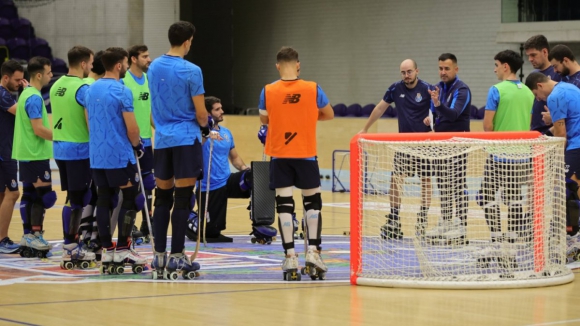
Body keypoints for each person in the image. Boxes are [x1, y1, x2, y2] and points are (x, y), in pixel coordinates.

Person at [258, 46, 334, 281]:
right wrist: (309, 115)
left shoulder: (267, 90)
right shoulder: (313, 88)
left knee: (284, 205)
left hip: (280, 154)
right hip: (305, 153)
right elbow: (329, 114)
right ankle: (312, 252)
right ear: (298, 65)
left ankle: (290, 256)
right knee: (312, 202)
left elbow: (264, 119)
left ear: (278, 66)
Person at [148, 21, 208, 279]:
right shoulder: (192, 70)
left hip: (161, 140)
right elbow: (202, 113)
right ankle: (177, 256)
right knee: (183, 199)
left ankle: (159, 255)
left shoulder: (153, 67)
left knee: (162, 198)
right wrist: (207, 125)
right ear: (187, 42)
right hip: (185, 139)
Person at [84, 47, 146, 274]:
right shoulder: (122, 90)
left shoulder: (90, 89)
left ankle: (107, 249)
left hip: (97, 155)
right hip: (119, 154)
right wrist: (138, 144)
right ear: (119, 65)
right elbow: (132, 127)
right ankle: (123, 248)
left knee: (104, 197)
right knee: (131, 197)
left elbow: (90, 121)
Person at [360, 59, 433, 239]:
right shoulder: (395, 89)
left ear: (417, 71)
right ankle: (393, 218)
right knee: (396, 179)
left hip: (424, 144)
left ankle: (422, 218)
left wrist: (432, 121)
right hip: (404, 144)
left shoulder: (427, 89)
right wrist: (365, 128)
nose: (406, 76)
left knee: (425, 180)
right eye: (403, 72)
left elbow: (437, 110)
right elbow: (379, 108)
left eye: (409, 72)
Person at [525, 72, 580, 262]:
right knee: (572, 192)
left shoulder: (555, 96)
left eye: (536, 94)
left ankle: (572, 240)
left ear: (540, 86)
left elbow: (561, 132)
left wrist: (556, 159)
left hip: (575, 146)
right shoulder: (569, 87)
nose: (538, 99)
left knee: (567, 193)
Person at [481, 50, 534, 244]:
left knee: (486, 196)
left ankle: (496, 238)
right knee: (514, 199)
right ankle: (511, 241)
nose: (495, 69)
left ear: (505, 66)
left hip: (499, 155)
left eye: (496, 65)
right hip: (522, 156)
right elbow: (527, 124)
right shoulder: (528, 92)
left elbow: (487, 125)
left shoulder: (496, 89)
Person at [50, 45, 96, 268]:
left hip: (60, 149)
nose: (92, 66)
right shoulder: (84, 87)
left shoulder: (56, 84)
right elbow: (90, 120)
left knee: (73, 197)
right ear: (84, 64)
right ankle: (70, 247)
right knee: (79, 198)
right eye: (91, 62)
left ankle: (71, 243)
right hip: (79, 149)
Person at [186, 96, 251, 243]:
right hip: (208, 186)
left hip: (227, 181)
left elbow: (234, 157)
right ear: (208, 113)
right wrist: (207, 132)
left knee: (254, 176)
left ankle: (260, 224)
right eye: (217, 109)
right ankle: (190, 220)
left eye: (221, 108)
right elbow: (193, 150)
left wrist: (243, 168)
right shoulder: (197, 131)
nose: (222, 111)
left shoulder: (226, 133)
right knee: (210, 235)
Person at [422, 53, 471, 242]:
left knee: (457, 184)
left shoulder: (462, 89)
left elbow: (453, 114)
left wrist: (437, 104)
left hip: (458, 145)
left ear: (456, 69)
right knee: (442, 184)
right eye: (440, 68)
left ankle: (461, 225)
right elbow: (436, 114)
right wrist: (430, 119)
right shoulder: (437, 88)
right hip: (440, 144)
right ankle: (446, 221)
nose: (443, 72)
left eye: (447, 68)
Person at [12, 56, 56, 258]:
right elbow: (38, 129)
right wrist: (62, 137)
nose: (51, 76)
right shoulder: (34, 97)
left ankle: (28, 235)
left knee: (29, 194)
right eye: (48, 72)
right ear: (39, 75)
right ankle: (35, 234)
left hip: (26, 152)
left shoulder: (26, 93)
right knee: (44, 196)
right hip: (36, 153)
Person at [119, 44, 154, 244]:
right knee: (130, 186)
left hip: (147, 142)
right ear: (133, 59)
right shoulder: (125, 82)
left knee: (149, 185)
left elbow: (149, 111)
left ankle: (146, 224)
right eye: (144, 56)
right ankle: (128, 224)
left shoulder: (148, 80)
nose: (148, 59)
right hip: (130, 142)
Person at [0, 60, 27, 253]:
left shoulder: (7, 95)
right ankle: (2, 239)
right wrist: (28, 93)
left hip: (6, 149)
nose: (20, 83)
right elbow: (22, 113)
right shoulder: (2, 95)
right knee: (13, 193)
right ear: (6, 77)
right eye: (17, 80)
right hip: (4, 152)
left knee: (2, 195)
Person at [523, 35, 562, 134]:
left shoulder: (558, 73)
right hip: (535, 131)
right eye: (528, 56)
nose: (530, 59)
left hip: (551, 131)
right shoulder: (533, 75)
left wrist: (553, 120)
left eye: (533, 55)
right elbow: (534, 105)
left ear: (544, 52)